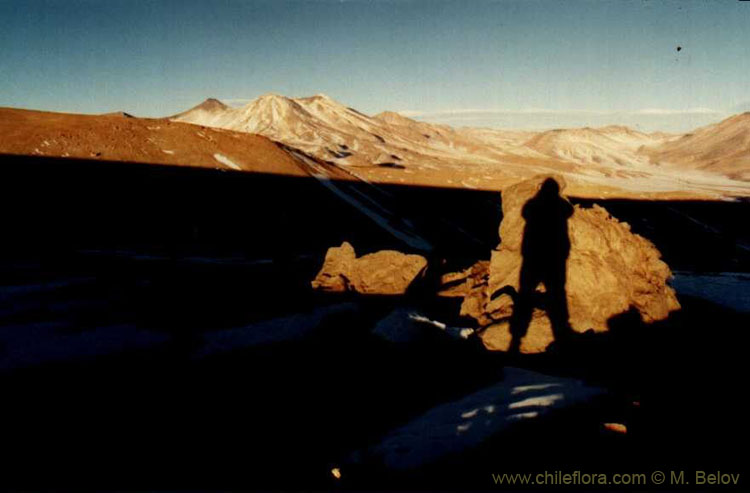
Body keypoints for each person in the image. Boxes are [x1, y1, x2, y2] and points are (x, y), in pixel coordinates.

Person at [508, 178, 574, 353]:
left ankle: (516, 339)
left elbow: (526, 212)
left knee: (526, 295)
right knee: (557, 296)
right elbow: (569, 210)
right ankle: (561, 336)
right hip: (554, 260)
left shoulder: (534, 206)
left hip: (534, 258)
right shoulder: (561, 208)